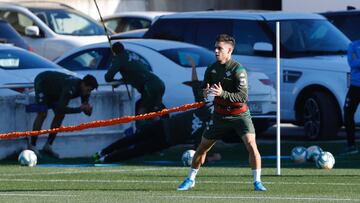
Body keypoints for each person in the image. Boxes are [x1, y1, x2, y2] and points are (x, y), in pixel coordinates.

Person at [177, 34, 267, 191]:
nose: (216, 51)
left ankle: (257, 182)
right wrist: (204, 93)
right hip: (219, 115)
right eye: (215, 48)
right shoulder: (212, 69)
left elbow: (243, 96)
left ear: (230, 50)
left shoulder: (238, 70)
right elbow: (203, 90)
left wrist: (222, 94)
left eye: (220, 48)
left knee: (252, 146)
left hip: (240, 115)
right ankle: (191, 179)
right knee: (202, 147)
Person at [93, 56, 224, 163]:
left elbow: (199, 150)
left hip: (167, 141)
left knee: (137, 150)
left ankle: (105, 159)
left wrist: (212, 158)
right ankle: (102, 152)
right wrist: (193, 66)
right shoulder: (205, 107)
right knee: (134, 138)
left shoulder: (210, 130)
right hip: (164, 125)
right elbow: (195, 85)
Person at [29, 71, 98, 158]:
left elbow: (87, 113)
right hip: (43, 82)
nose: (88, 93)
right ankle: (32, 145)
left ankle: (48, 145)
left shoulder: (85, 91)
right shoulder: (71, 87)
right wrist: (79, 109)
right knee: (42, 113)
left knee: (60, 115)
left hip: (56, 91)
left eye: (90, 91)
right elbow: (61, 108)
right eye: (88, 90)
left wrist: (88, 110)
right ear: (83, 84)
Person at [105, 42, 166, 119]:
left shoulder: (119, 58)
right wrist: (121, 81)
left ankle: (141, 129)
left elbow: (108, 77)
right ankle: (157, 129)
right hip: (159, 83)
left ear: (114, 52)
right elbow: (135, 73)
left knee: (142, 111)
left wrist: (114, 81)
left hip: (149, 86)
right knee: (154, 111)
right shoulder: (132, 55)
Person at [342, 40, 360, 155]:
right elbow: (352, 63)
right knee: (348, 112)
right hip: (355, 86)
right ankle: (351, 145)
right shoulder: (353, 45)